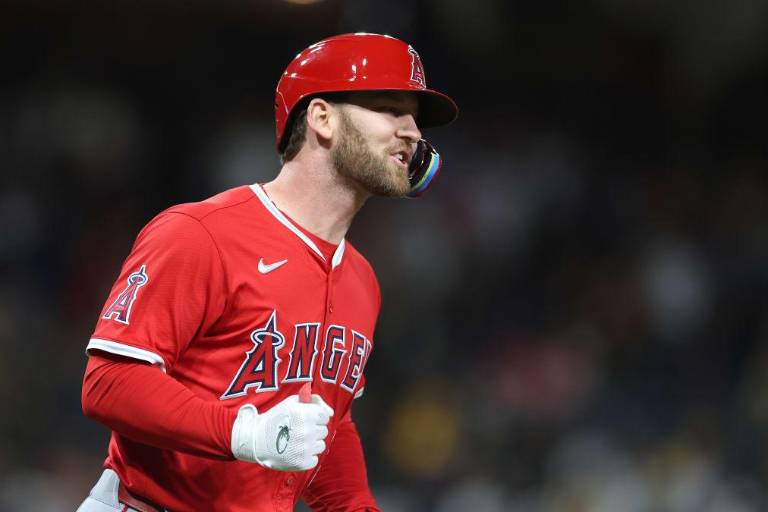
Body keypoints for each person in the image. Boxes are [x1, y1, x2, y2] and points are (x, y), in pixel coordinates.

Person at [77, 32, 457, 512]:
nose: (413, 132)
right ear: (322, 118)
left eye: (415, 120)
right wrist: (247, 432)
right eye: (388, 109)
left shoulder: (363, 279)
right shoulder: (201, 233)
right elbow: (109, 382)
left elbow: (327, 426)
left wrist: (356, 505)